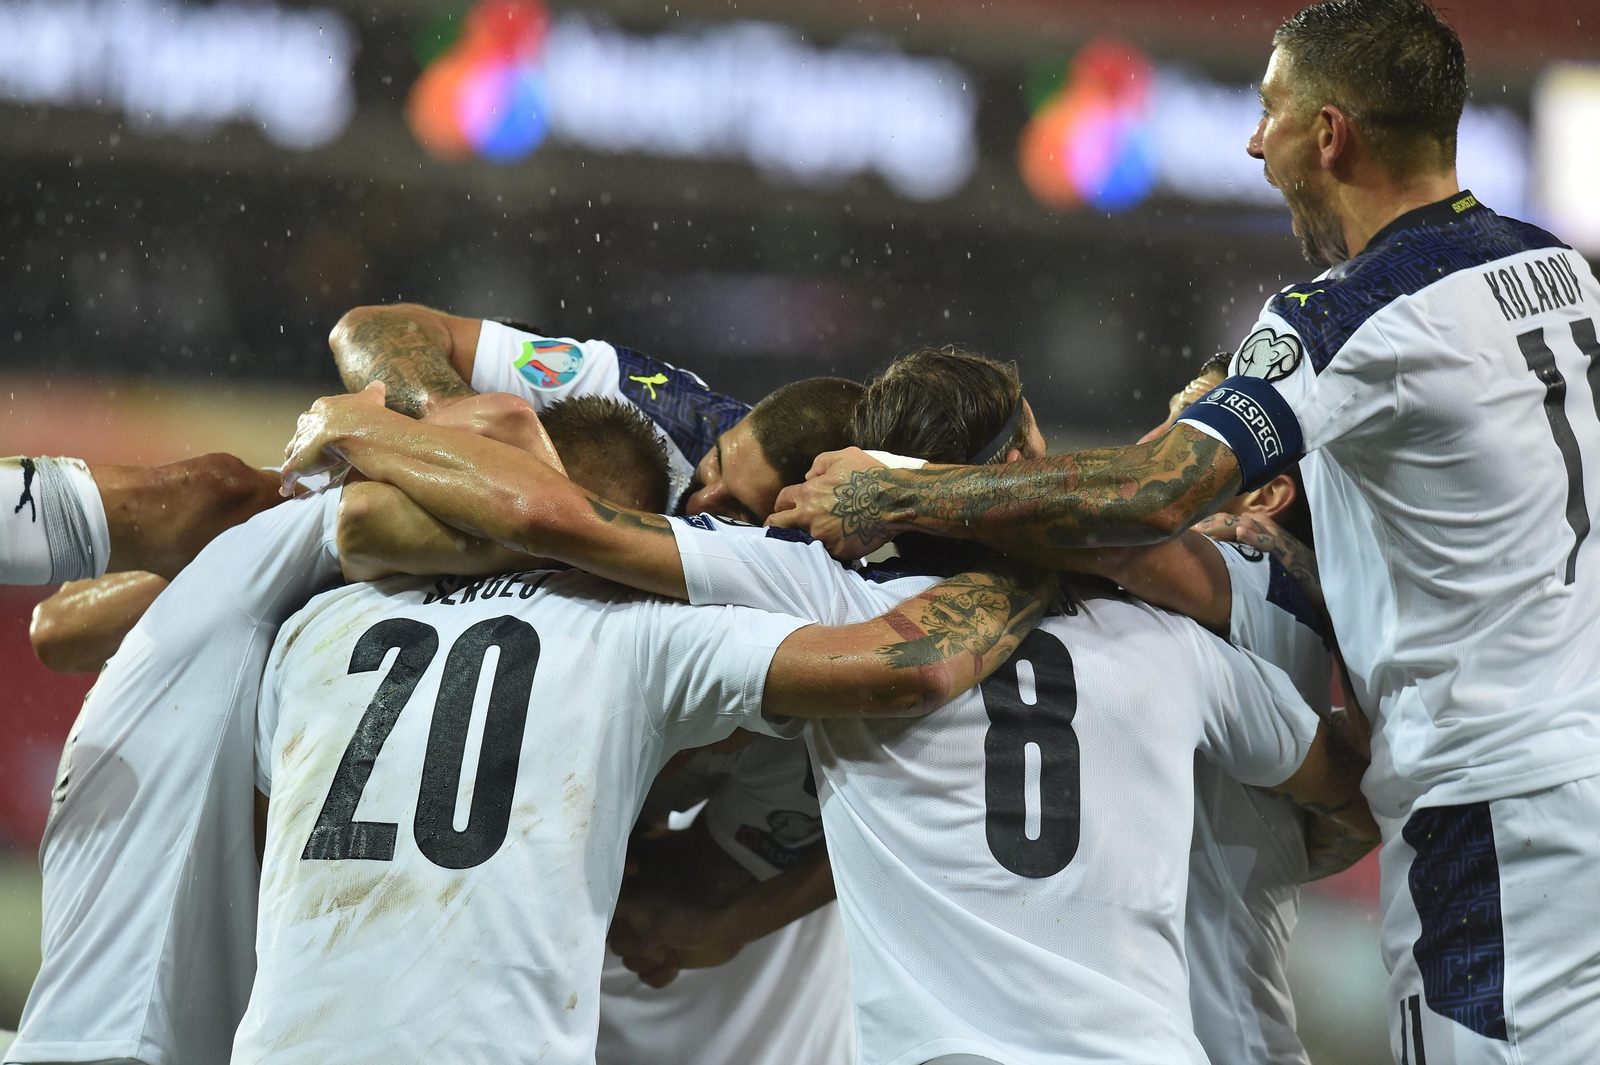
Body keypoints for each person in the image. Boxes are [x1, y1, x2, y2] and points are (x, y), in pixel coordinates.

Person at [769, 3, 1600, 1060]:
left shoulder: (1346, 315)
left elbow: (1151, 495)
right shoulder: (1555, 268)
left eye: (1269, 111)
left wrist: (896, 496)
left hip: (1495, 807)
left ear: (1329, 134)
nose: (1255, 143)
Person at [281, 349, 1376, 1065]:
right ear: (1030, 470)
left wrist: (362, 433)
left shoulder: (813, 585)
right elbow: (1350, 791)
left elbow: (565, 523)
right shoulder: (1187, 653)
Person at [236, 442, 1051, 1064]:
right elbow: (899, 669)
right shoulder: (644, 635)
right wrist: (1033, 555)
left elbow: (275, 822)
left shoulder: (319, 625)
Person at [2, 393, 650, 1065]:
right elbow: (515, 494)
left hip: (97, 1021)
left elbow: (58, 629)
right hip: (126, 1031)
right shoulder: (302, 534)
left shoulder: (272, 581)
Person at [328, 303, 862, 519]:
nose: (703, 496)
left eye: (737, 508)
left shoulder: (828, 577)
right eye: (717, 463)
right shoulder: (651, 398)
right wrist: (452, 413)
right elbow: (370, 329)